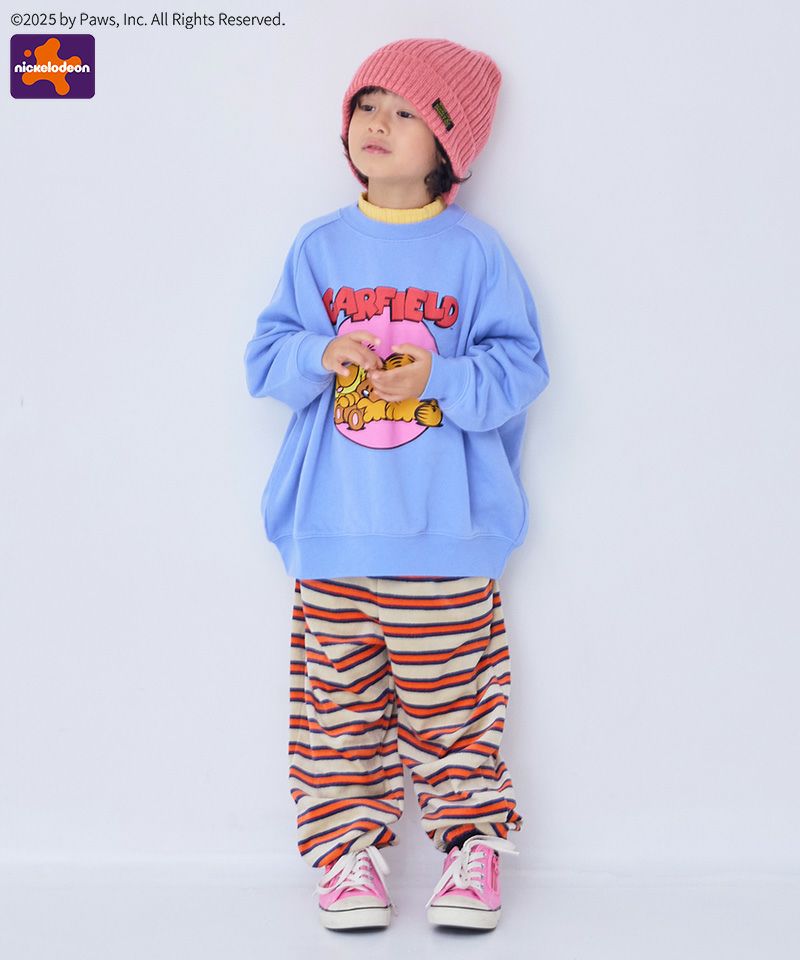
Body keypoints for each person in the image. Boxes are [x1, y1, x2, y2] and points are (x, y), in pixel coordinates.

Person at [243, 37, 550, 932]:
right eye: (366, 105)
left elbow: (520, 371)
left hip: (445, 540)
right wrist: (319, 352)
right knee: (338, 714)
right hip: (333, 534)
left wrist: (439, 377)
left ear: (448, 144)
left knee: (453, 707)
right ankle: (348, 857)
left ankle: (472, 848)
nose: (377, 122)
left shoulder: (476, 254)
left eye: (406, 111)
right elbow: (264, 361)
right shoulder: (319, 248)